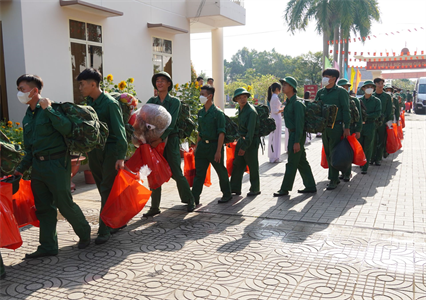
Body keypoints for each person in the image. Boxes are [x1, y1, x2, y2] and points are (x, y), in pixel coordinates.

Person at [14, 74, 91, 258]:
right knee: (44, 208)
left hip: (56, 164)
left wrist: (48, 109)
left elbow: (66, 128)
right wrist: (20, 169)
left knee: (64, 204)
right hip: (38, 167)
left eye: (22, 89)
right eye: (18, 89)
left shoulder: (51, 108)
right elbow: (29, 148)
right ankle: (48, 246)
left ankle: (84, 233)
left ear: (35, 91)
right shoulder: (28, 116)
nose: (19, 93)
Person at [77, 68, 127, 245]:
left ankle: (104, 229)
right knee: (103, 188)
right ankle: (116, 220)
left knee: (106, 189)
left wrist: (121, 156)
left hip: (111, 150)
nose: (80, 88)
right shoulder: (89, 102)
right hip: (95, 151)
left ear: (93, 84)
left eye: (82, 84)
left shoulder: (110, 104)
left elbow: (120, 132)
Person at [144, 71, 195, 215]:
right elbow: (145, 119)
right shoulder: (152, 101)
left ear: (169, 84)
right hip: (154, 141)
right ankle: (155, 207)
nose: (159, 83)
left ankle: (189, 200)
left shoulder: (174, 102)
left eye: (163, 80)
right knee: (154, 173)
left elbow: (170, 123)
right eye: (157, 81)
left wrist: (161, 139)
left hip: (170, 140)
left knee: (176, 172)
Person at [273, 77, 316, 197]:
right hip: (293, 134)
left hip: (296, 135)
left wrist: (297, 141)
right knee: (301, 161)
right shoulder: (289, 102)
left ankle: (284, 189)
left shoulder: (297, 103)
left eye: (285, 84)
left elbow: (300, 125)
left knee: (291, 162)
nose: (283, 87)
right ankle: (310, 186)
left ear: (292, 87)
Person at [192, 85, 232, 204]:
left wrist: (218, 151)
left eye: (203, 95)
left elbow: (221, 133)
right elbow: (200, 131)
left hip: (214, 146)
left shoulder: (218, 113)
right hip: (203, 147)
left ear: (210, 96)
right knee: (199, 174)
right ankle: (194, 198)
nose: (201, 97)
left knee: (221, 171)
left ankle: (227, 194)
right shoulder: (200, 113)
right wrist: (196, 146)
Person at [314, 68, 351, 190]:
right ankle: (334, 177)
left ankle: (333, 179)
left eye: (327, 76)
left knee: (334, 152)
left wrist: (347, 127)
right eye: (324, 76)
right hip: (325, 127)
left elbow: (346, 109)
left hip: (337, 126)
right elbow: (316, 108)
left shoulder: (341, 92)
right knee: (329, 152)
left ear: (334, 79)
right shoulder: (321, 92)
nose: (325, 78)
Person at [230, 87, 261, 197]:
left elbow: (250, 132)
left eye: (244, 97)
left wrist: (244, 147)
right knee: (238, 164)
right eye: (240, 98)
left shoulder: (251, 111)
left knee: (252, 166)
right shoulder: (241, 109)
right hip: (242, 140)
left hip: (250, 142)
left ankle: (255, 188)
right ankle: (234, 188)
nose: (242, 99)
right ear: (236, 99)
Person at [337, 78, 362, 181]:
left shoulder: (354, 100)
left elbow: (359, 116)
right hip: (338, 129)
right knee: (338, 152)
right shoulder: (336, 99)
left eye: (346, 87)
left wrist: (358, 130)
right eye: (342, 87)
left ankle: (347, 173)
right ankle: (340, 173)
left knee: (348, 152)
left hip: (350, 129)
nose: (344, 89)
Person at [358, 81, 382, 175]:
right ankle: (361, 161)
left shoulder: (376, 101)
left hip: (370, 125)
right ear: (363, 89)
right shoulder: (359, 100)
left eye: (371, 87)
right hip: (360, 126)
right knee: (360, 145)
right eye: (367, 87)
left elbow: (377, 113)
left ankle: (365, 167)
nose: (369, 88)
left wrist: (366, 116)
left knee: (368, 146)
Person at [371, 78, 393, 166]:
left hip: (383, 122)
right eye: (378, 83)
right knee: (373, 140)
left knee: (381, 140)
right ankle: (371, 158)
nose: (380, 85)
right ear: (375, 85)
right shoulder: (371, 96)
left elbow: (389, 110)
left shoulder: (387, 97)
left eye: (382, 84)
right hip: (373, 121)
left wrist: (389, 121)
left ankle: (378, 158)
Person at [267, 82, 283, 163]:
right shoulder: (275, 97)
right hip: (276, 118)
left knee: (275, 137)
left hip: (276, 118)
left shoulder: (274, 97)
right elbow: (275, 110)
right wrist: (283, 109)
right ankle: (274, 156)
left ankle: (275, 156)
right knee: (275, 137)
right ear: (277, 89)